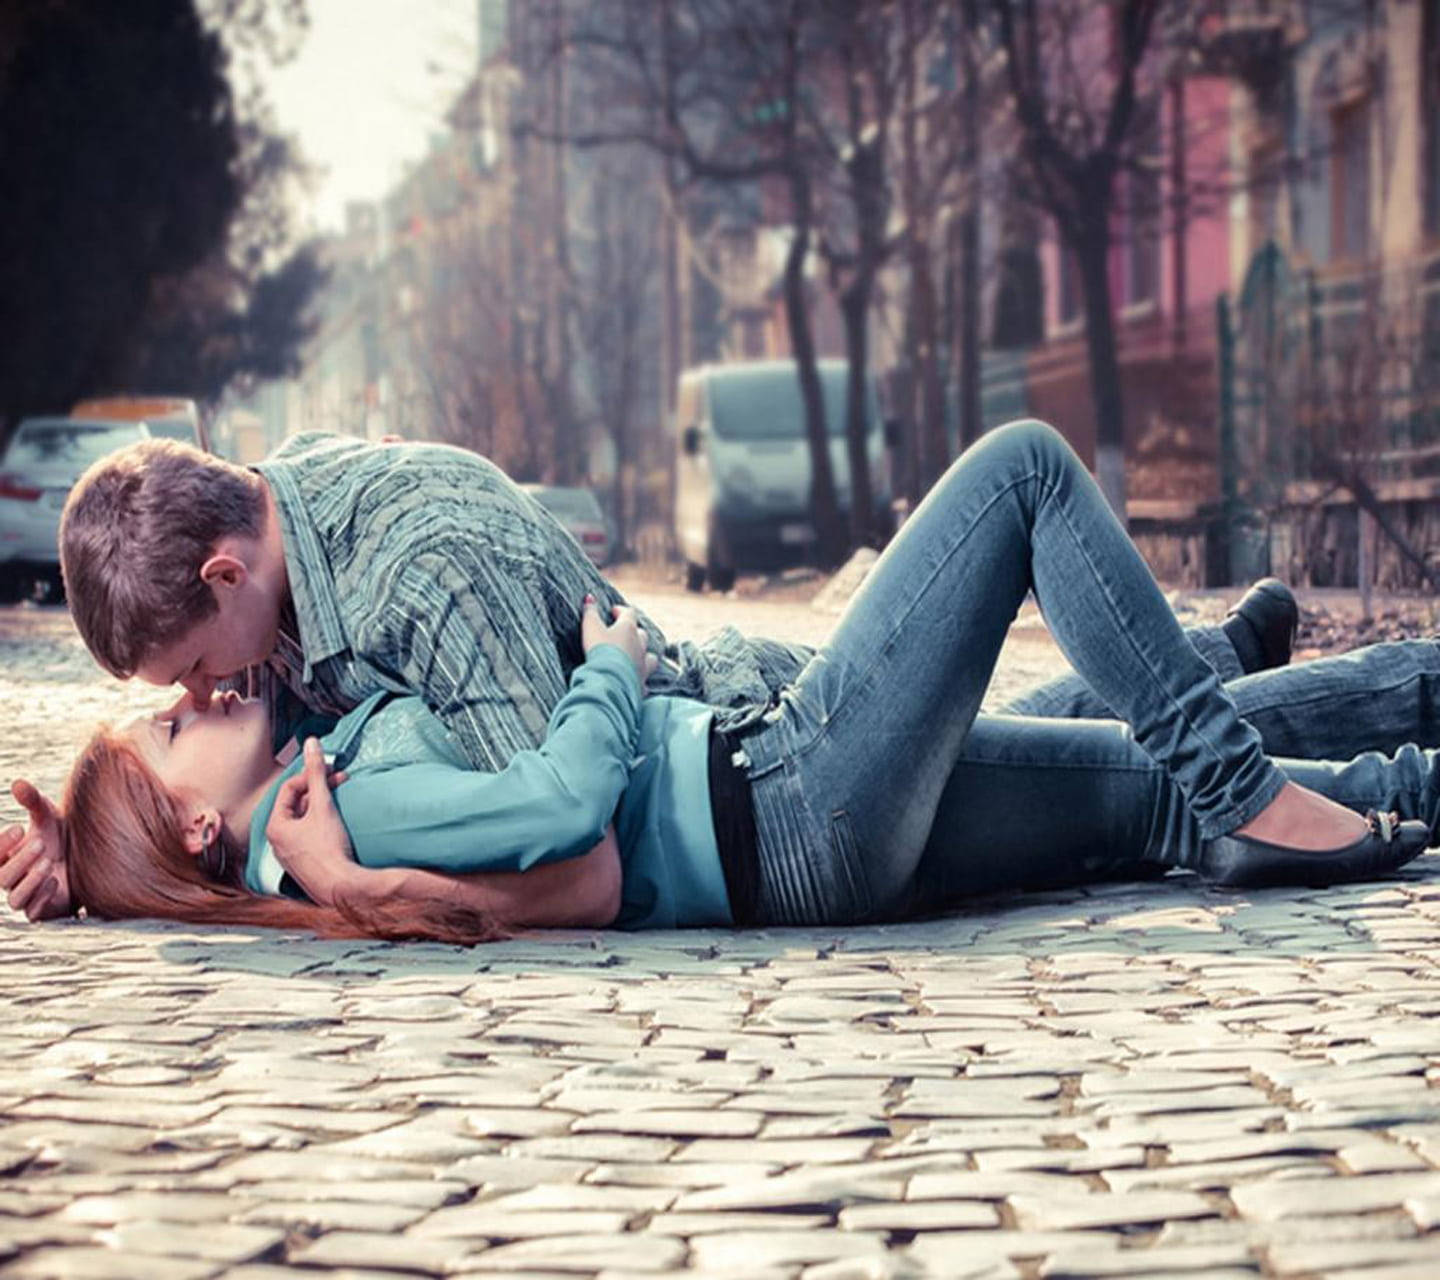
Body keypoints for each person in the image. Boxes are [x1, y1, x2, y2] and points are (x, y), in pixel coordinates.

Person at [37, 422, 1437, 943]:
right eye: (190, 698)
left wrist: (194, 854)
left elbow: (563, 840)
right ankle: (1233, 727)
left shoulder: (416, 572)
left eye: (194, 670)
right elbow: (570, 856)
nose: (225, 692)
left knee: (1118, 757)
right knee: (1109, 703)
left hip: (766, 744)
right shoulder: (299, 547)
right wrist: (113, 845)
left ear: (226, 572)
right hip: (784, 785)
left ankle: (1359, 702)